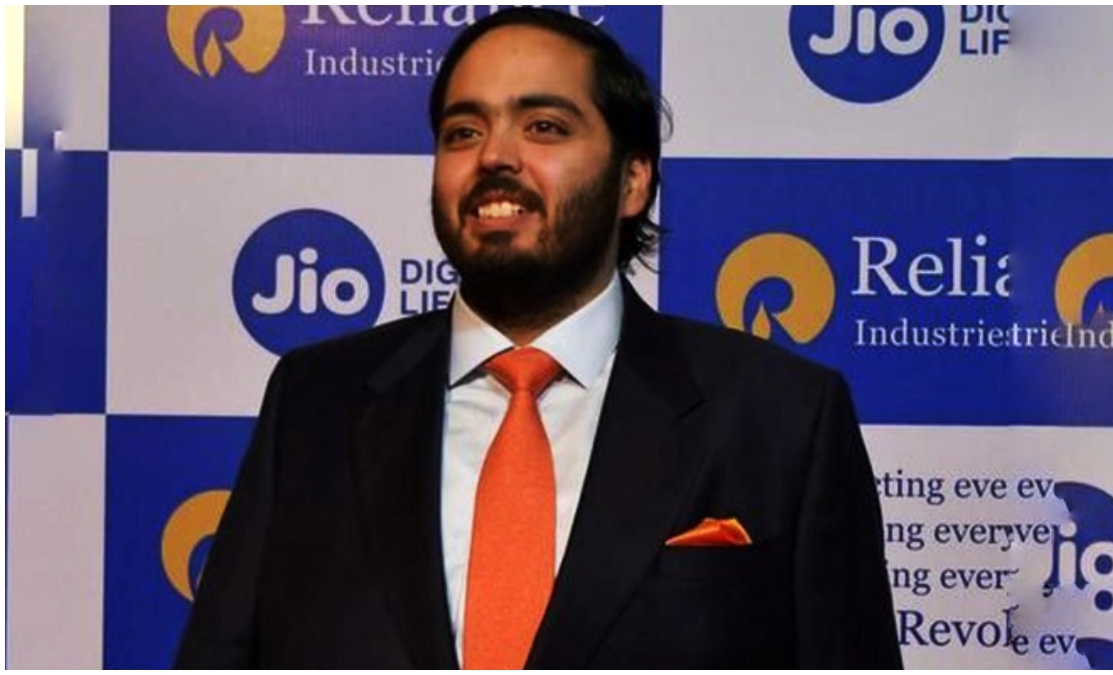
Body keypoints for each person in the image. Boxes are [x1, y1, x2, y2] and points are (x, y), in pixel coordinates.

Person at [175, 8, 902, 669]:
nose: (494, 155)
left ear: (633, 181)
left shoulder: (780, 416)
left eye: (545, 127)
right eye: (463, 131)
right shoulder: (315, 401)